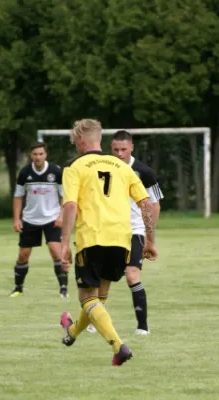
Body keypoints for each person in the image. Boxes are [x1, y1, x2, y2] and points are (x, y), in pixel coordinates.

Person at [59, 119, 158, 366]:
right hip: (122, 240)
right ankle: (71, 333)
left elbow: (70, 205)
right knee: (98, 298)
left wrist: (63, 245)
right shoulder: (122, 166)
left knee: (87, 298)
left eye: (74, 141)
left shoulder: (74, 166)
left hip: (92, 239)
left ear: (81, 140)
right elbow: (146, 204)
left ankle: (118, 346)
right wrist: (149, 240)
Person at [86, 130, 163, 335]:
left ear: (131, 148)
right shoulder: (106, 169)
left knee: (131, 275)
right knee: (104, 278)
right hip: (111, 231)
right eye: (116, 149)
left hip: (135, 231)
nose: (119, 153)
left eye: (123, 149)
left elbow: (154, 206)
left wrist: (149, 237)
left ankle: (142, 326)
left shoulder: (143, 172)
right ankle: (95, 320)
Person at [9, 142, 68, 298]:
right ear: (31, 155)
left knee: (56, 252)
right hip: (30, 219)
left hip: (52, 219)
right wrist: (16, 219)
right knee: (23, 255)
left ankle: (63, 289)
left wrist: (61, 216)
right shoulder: (25, 172)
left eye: (41, 154)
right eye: (35, 154)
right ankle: (18, 288)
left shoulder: (56, 171)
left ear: (46, 154)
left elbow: (65, 196)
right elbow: (18, 196)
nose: (38, 157)